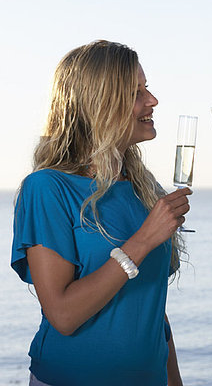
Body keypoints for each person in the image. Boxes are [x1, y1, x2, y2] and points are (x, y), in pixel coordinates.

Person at [11, 40, 191, 386]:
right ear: (101, 105)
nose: (152, 100)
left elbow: (152, 310)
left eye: (146, 88)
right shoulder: (48, 189)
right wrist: (142, 242)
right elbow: (63, 316)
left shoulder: (143, 187)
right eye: (136, 92)